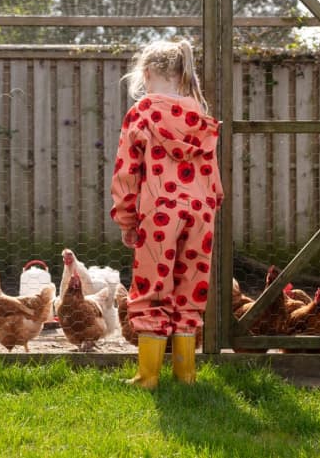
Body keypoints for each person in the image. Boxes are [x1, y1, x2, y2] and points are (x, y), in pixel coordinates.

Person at [110, 39, 224, 388]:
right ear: (181, 74)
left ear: (145, 74)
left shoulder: (142, 112)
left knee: (151, 288)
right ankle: (186, 374)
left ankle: (148, 376)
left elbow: (127, 173)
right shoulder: (200, 116)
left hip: (160, 212)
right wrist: (210, 205)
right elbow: (213, 177)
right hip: (201, 212)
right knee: (190, 288)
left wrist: (128, 219)